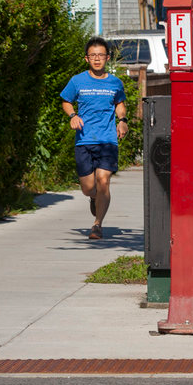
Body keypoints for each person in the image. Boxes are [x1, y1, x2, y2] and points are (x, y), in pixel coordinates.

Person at [61, 36, 128, 240]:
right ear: (86, 59)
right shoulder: (77, 81)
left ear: (107, 57)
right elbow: (66, 100)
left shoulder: (115, 82)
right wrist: (73, 116)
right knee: (89, 188)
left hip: (107, 140)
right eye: (93, 55)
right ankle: (94, 198)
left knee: (103, 180)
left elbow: (119, 104)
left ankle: (97, 224)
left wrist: (123, 120)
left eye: (101, 55)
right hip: (84, 140)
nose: (97, 59)